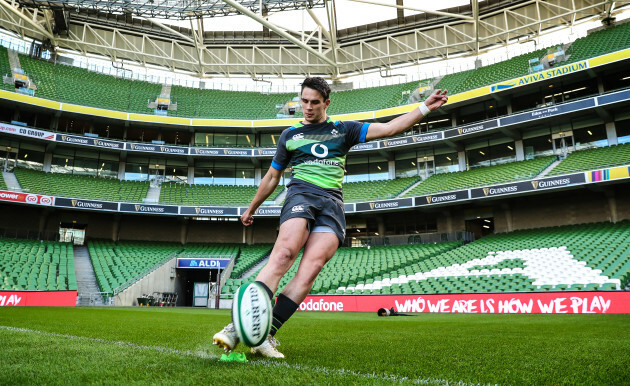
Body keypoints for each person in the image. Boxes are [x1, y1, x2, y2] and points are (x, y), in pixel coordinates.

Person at [213, 77, 448, 358]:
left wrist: (424, 107)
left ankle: (265, 335)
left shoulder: (344, 130)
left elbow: (389, 128)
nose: (308, 108)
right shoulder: (290, 135)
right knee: (284, 254)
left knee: (310, 269)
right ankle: (236, 328)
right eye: (304, 101)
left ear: (326, 102)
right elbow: (273, 176)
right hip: (301, 195)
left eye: (314, 102)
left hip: (332, 204)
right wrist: (252, 207)